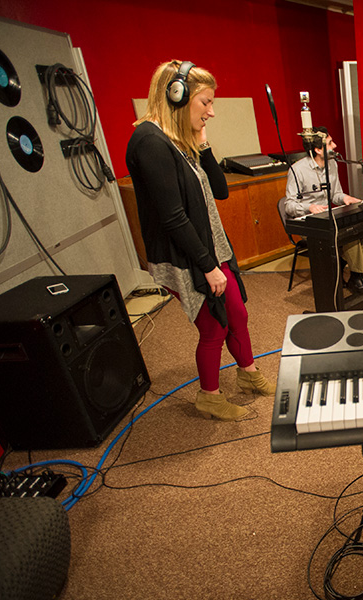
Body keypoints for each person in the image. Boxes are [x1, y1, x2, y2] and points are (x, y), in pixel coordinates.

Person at [125, 60, 275, 421]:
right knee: (214, 325)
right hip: (185, 255)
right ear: (177, 97)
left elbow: (219, 190)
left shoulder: (180, 140)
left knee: (237, 313)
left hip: (211, 247)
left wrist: (203, 143)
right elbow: (172, 216)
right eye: (205, 102)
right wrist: (208, 267)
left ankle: (248, 373)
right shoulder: (149, 142)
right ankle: (209, 396)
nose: (212, 111)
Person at [283, 127, 363, 294]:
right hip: (311, 224)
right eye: (330, 143)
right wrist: (309, 207)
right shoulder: (297, 170)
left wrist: (345, 198)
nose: (335, 146)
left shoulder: (333, 164)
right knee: (350, 238)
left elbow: (335, 194)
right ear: (317, 149)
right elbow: (289, 205)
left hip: (330, 219)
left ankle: (345, 265)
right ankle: (357, 276)